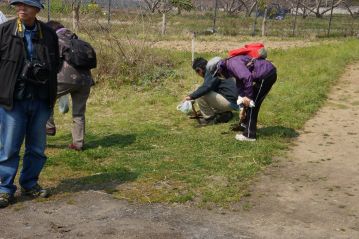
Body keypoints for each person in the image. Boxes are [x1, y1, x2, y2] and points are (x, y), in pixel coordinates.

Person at [0, 0, 60, 208]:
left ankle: (30, 183)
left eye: (26, 5)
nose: (21, 9)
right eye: (18, 5)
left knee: (36, 147)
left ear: (37, 9)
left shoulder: (49, 35)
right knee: (9, 147)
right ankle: (4, 189)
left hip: (41, 99)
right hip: (12, 101)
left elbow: (56, 66)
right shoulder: (5, 31)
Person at [45, 20, 94, 151]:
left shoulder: (56, 39)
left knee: (44, 99)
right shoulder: (76, 38)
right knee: (79, 113)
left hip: (66, 78)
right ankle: (78, 143)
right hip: (86, 80)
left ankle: (48, 126)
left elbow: (50, 61)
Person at [217, 55, 277, 141]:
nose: (222, 77)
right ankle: (245, 125)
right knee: (250, 105)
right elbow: (240, 84)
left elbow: (247, 77)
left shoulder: (232, 64)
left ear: (220, 69)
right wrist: (242, 106)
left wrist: (248, 97)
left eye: (219, 75)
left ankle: (249, 135)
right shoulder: (231, 65)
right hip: (266, 74)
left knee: (252, 105)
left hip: (266, 75)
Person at [185, 57, 238, 126]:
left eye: (197, 72)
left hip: (231, 103)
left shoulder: (211, 71)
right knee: (200, 90)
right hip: (234, 101)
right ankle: (224, 114)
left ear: (199, 70)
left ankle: (209, 119)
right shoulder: (215, 69)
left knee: (201, 93)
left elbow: (206, 87)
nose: (198, 75)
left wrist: (191, 96)